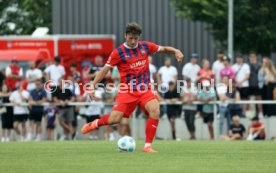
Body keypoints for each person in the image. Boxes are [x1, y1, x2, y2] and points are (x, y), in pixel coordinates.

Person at [81, 22, 184, 152]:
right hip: (127, 91)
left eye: (136, 38)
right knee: (114, 119)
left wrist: (176, 51)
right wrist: (92, 85)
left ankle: (147, 146)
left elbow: (163, 49)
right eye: (131, 38)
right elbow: (104, 70)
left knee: (155, 110)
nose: (133, 41)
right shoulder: (118, 52)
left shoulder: (145, 46)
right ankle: (94, 124)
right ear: (125, 36)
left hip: (144, 88)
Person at [248, 53, 263, 117]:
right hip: (249, 84)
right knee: (250, 99)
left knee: (258, 98)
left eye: (253, 57)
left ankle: (260, 112)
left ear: (255, 57)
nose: (252, 58)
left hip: (257, 84)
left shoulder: (259, 65)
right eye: (251, 57)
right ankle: (251, 112)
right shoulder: (247, 65)